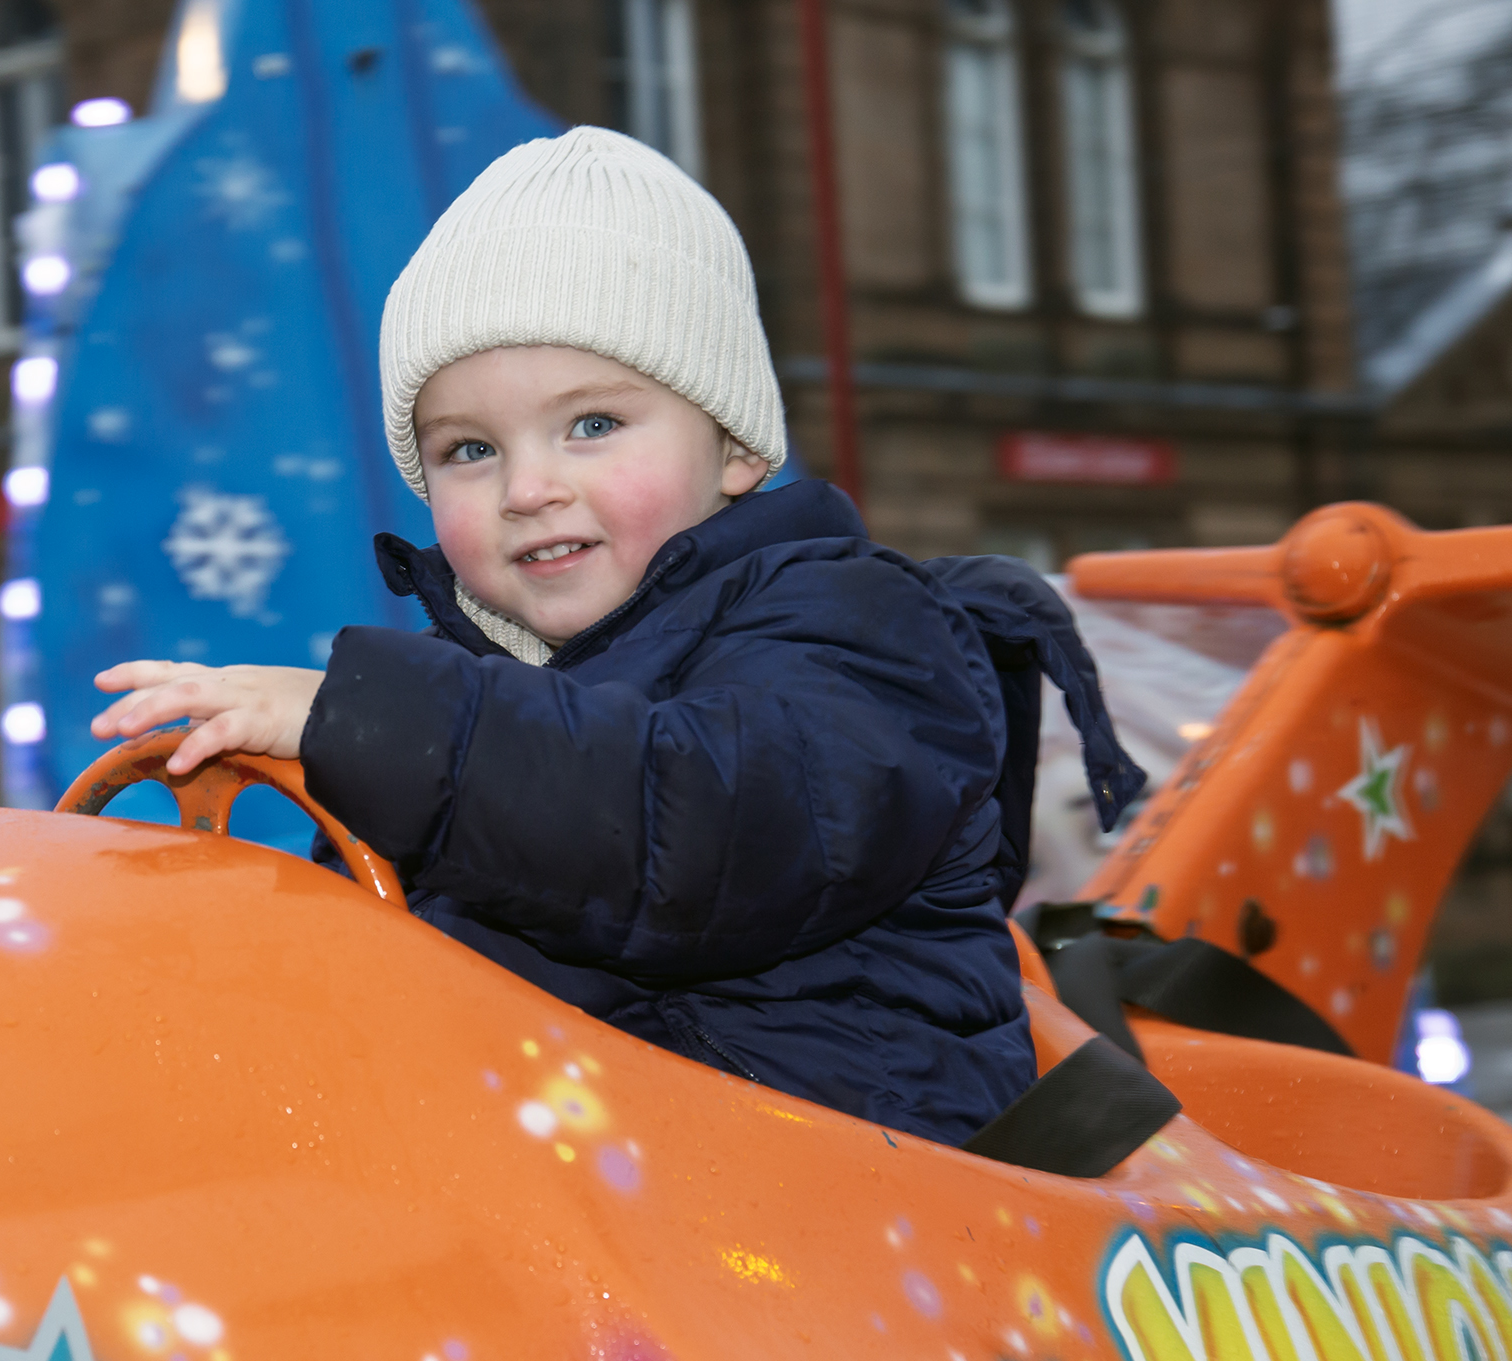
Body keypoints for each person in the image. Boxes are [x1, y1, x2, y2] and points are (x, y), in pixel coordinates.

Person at [92, 127, 1139, 1145]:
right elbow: (378, 964)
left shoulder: (859, 633)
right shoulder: (463, 689)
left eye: (591, 425)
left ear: (732, 447)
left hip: (835, 1199)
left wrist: (368, 721)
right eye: (468, 449)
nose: (529, 489)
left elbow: (698, 840)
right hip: (579, 1186)